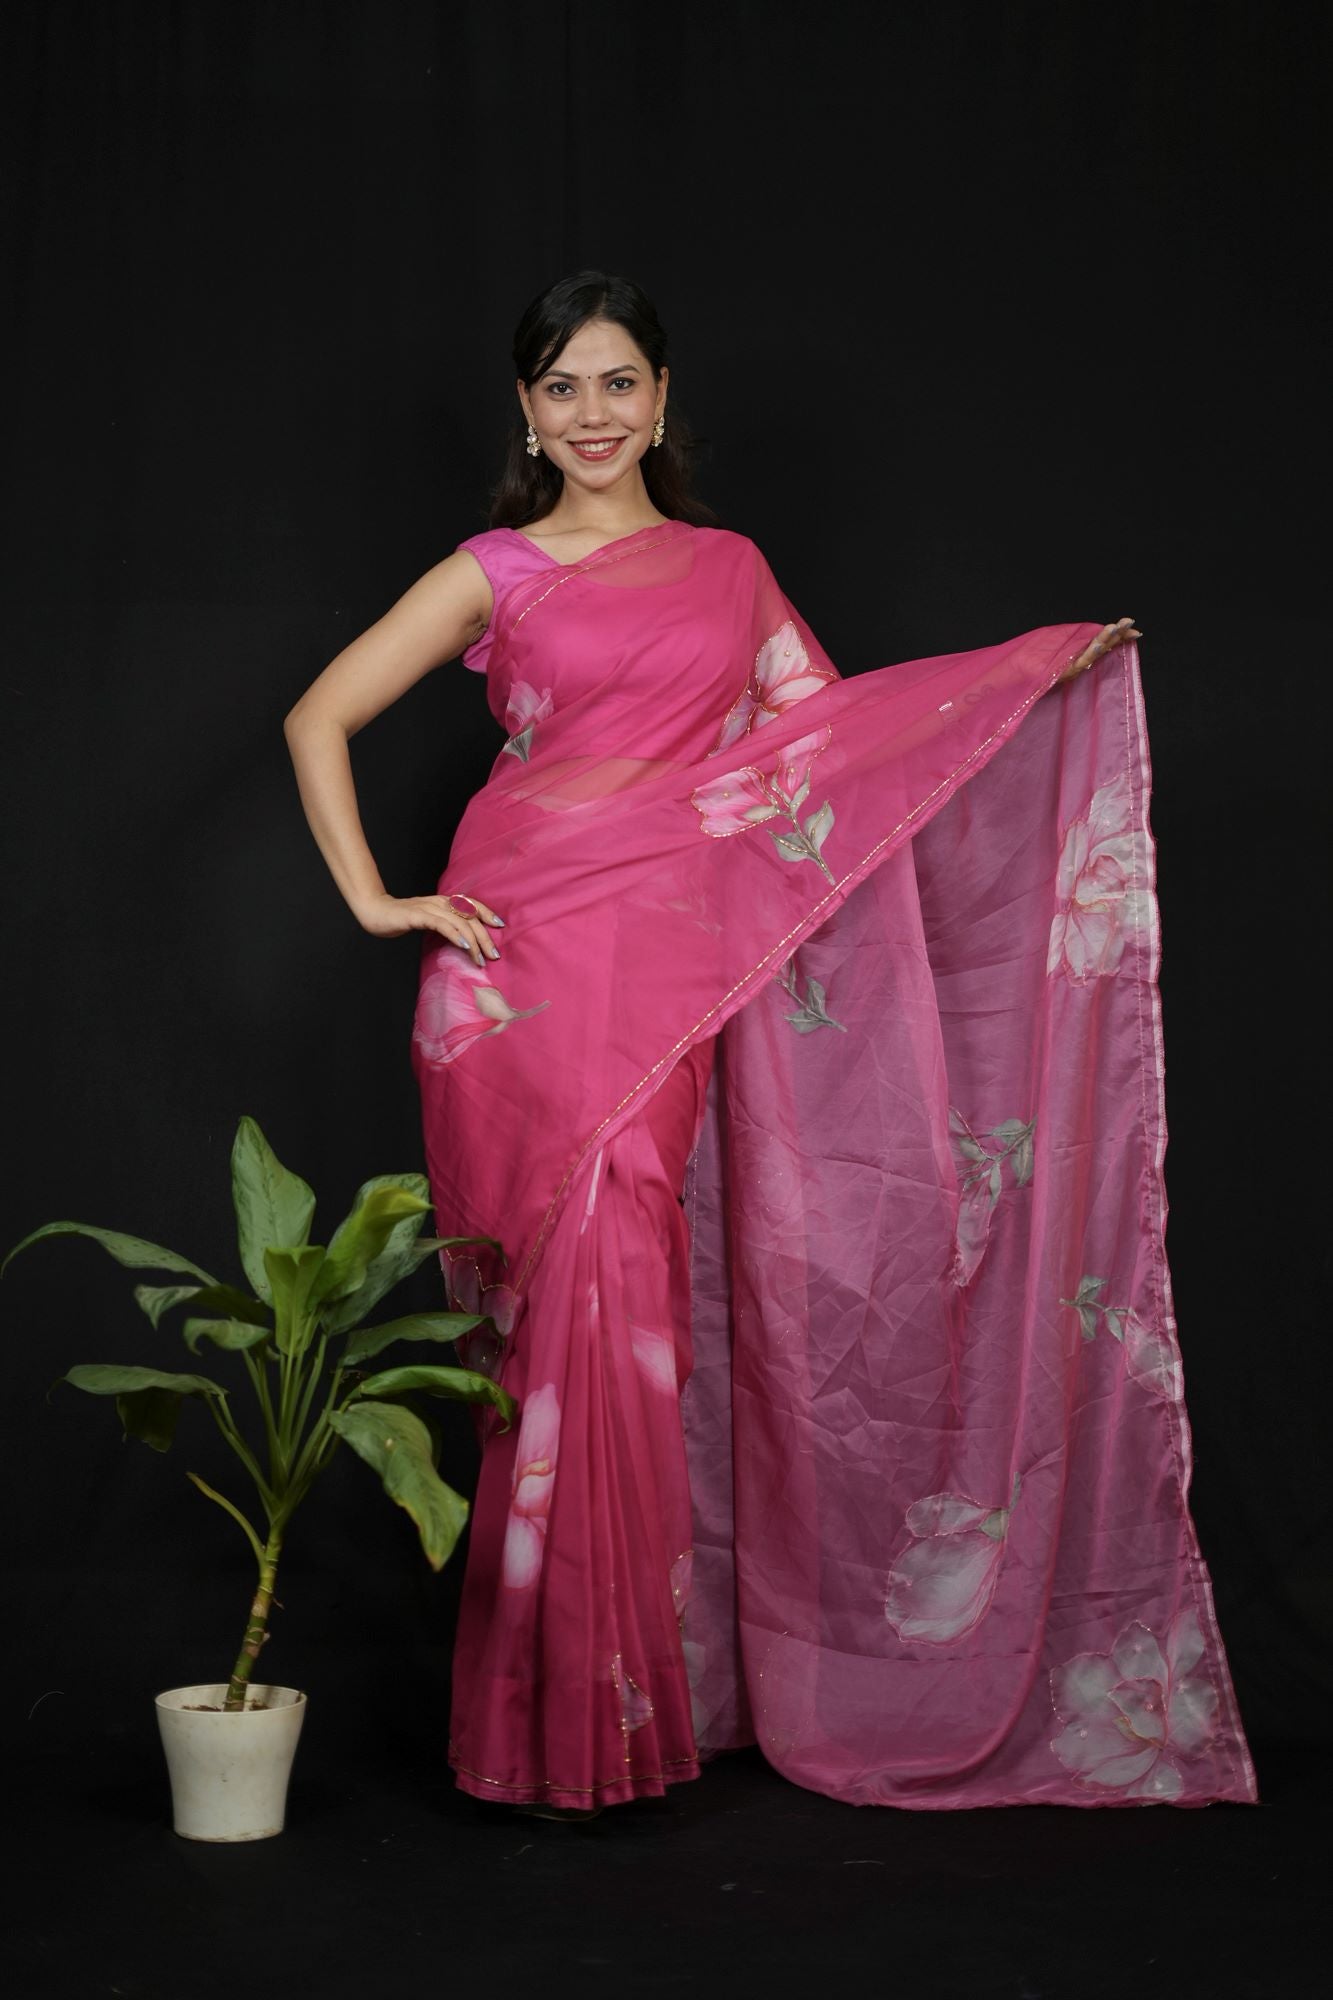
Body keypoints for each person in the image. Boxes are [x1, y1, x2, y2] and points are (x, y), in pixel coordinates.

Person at [283, 271, 1257, 1824]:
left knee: (623, 1305)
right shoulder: (495, 570)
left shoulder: (728, 572)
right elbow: (316, 715)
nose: (591, 414)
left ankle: (604, 1721)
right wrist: (376, 897)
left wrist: (1017, 682)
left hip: (658, 980)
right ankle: (540, 1725)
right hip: (514, 978)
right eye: (560, 386)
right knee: (539, 1333)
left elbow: (836, 739)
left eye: (617, 382)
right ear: (523, 412)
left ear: (661, 399)